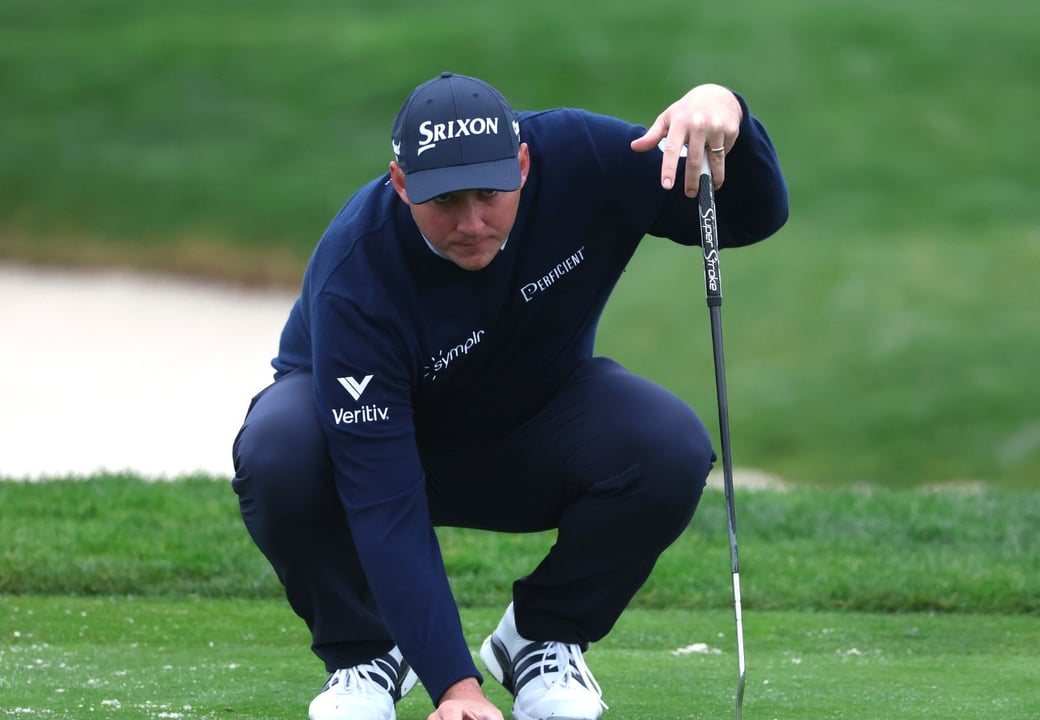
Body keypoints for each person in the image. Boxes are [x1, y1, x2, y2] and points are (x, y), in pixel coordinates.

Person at [230, 71, 788, 720]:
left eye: (490, 194)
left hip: (535, 422)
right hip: (377, 453)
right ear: (401, 183)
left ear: (522, 164)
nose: (471, 223)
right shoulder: (357, 275)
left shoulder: (583, 159)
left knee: (668, 446)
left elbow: (750, 215)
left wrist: (730, 113)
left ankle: (540, 638)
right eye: (444, 201)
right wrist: (454, 689)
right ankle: (367, 652)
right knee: (280, 446)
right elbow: (384, 503)